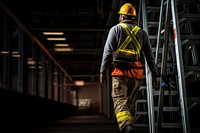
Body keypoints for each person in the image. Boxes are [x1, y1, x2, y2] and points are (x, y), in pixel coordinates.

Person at [99, 3, 159, 133]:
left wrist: (102, 70)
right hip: (136, 74)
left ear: (121, 17)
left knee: (120, 101)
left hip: (120, 73)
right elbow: (150, 56)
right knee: (130, 105)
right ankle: (130, 126)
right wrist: (155, 75)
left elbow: (107, 51)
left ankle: (127, 126)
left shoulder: (115, 30)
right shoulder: (142, 33)